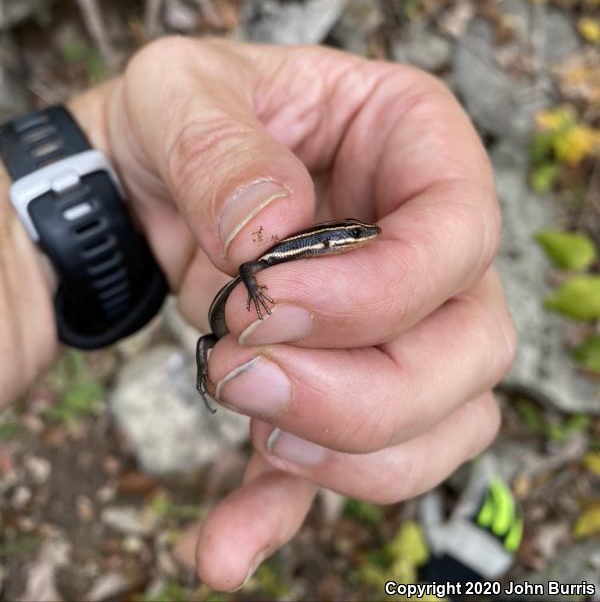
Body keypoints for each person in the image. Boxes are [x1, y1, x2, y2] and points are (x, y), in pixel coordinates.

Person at [0, 37, 516, 592]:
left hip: (213, 304)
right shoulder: (310, 243)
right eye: (357, 235)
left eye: (361, 235)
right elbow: (251, 269)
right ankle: (207, 372)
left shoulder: (322, 247)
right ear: (340, 237)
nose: (362, 237)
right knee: (212, 348)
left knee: (223, 348)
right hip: (232, 303)